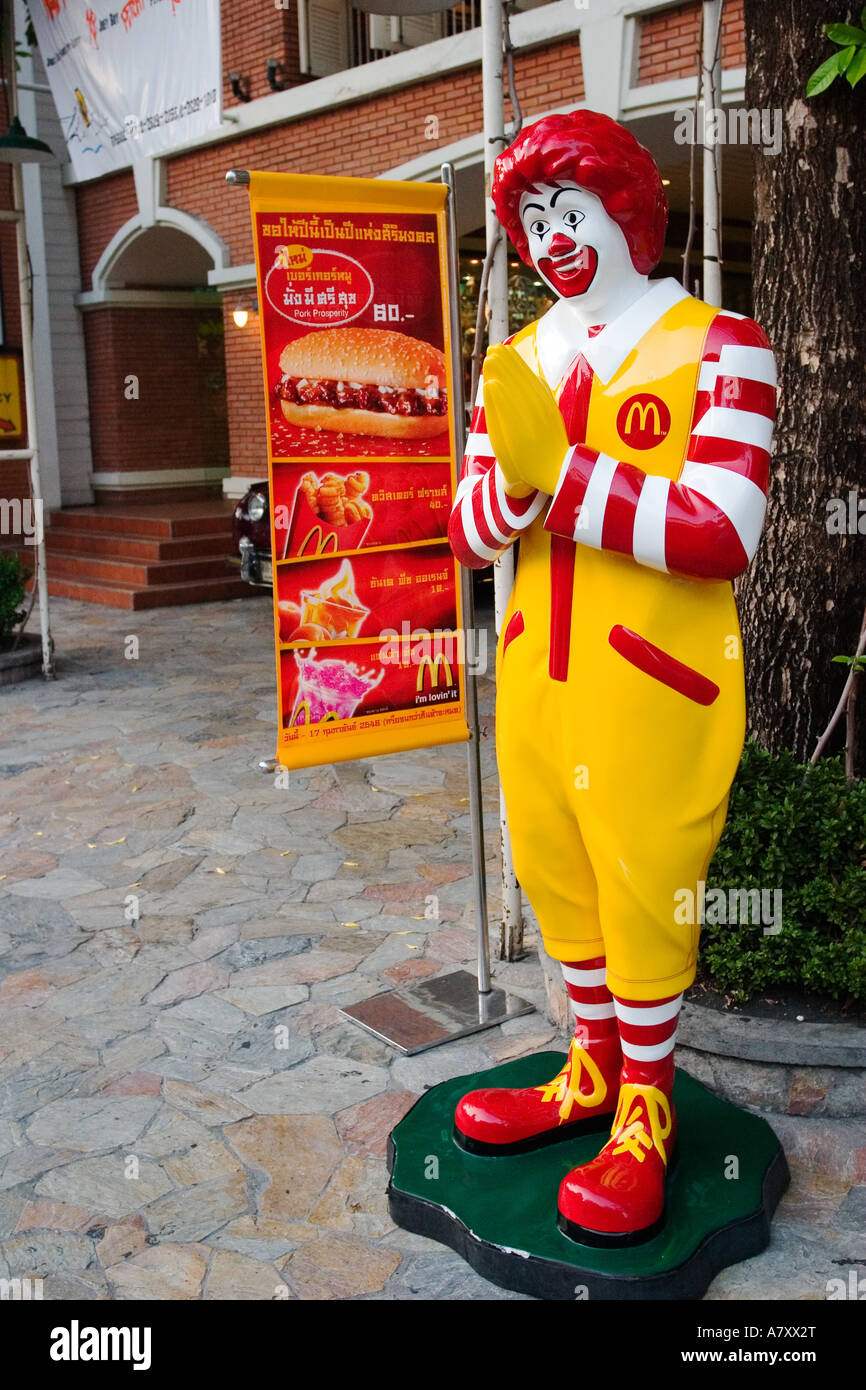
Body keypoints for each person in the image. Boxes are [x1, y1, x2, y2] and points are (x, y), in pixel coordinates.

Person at [447, 110, 777, 1246]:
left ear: (628, 210)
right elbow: (469, 523)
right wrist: (513, 495)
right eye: (534, 219)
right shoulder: (517, 362)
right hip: (533, 681)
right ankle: (587, 1069)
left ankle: (645, 1105)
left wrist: (566, 478)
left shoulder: (721, 343)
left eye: (570, 211)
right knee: (558, 881)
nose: (552, 239)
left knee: (643, 893)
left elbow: (723, 525)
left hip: (651, 690)